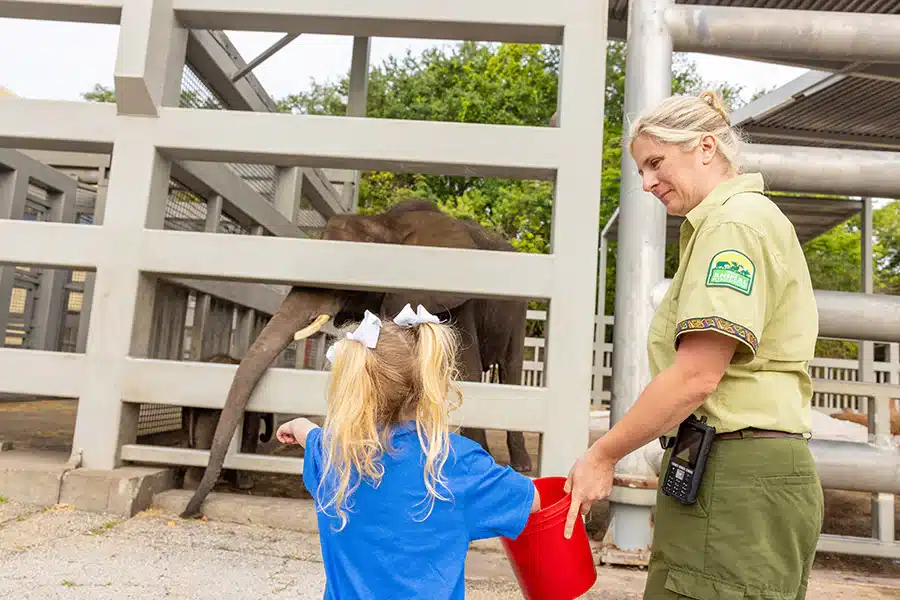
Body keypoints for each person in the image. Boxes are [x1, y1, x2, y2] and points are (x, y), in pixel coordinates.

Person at [564, 91, 824, 599]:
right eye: (641, 170)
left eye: (656, 163)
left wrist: (603, 454)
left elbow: (697, 375)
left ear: (706, 147)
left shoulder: (731, 227)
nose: (646, 183)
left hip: (735, 476)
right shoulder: (735, 222)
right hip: (733, 473)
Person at [276, 305, 541, 599]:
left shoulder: (329, 454)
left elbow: (310, 435)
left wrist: (297, 425)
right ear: (430, 385)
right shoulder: (456, 463)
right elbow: (532, 500)